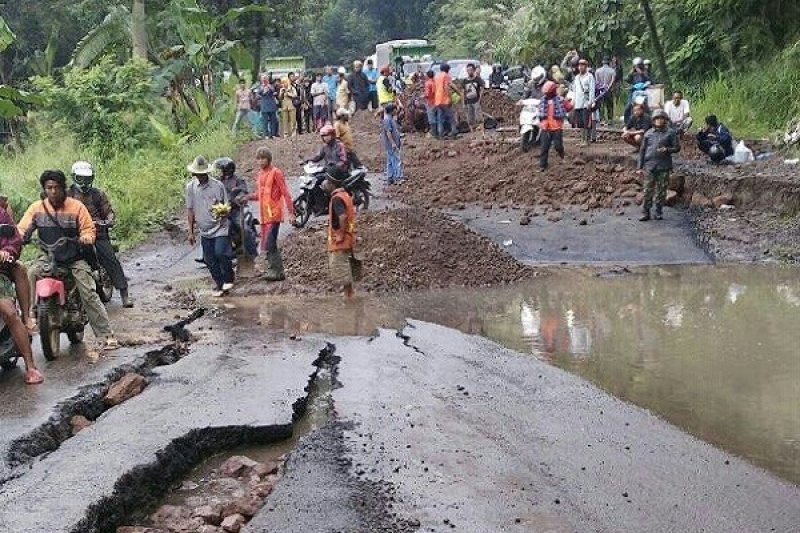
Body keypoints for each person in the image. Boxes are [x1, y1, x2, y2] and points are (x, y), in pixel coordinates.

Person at [19, 169, 119, 350]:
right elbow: (22, 228)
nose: (53, 191)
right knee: (32, 272)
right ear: (44, 189)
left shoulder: (76, 207)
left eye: (56, 187)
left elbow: (88, 228)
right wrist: (19, 237)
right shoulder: (37, 208)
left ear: (63, 188)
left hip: (74, 258)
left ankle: (106, 334)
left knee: (89, 293)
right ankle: (32, 315)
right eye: (49, 188)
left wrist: (87, 236)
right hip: (48, 256)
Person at [67, 161, 133, 308]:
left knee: (110, 258)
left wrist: (106, 222)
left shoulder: (98, 194)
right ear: (74, 178)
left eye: (87, 179)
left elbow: (109, 213)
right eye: (80, 179)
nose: (84, 183)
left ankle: (124, 293)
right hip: (74, 233)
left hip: (97, 232)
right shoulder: (68, 195)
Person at [185, 156, 234, 297]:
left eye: (202, 174)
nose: (200, 176)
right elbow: (190, 210)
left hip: (220, 227)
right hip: (204, 230)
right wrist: (191, 232)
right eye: (197, 174)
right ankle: (220, 284)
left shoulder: (217, 186)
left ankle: (229, 278)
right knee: (209, 260)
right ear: (194, 174)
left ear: (207, 173)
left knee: (220, 253)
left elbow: (226, 205)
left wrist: (224, 211)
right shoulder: (191, 188)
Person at [248, 148, 294, 282]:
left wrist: (291, 212)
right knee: (267, 243)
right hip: (264, 216)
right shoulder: (260, 174)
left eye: (263, 158)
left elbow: (285, 193)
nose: (261, 161)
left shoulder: (276, 173)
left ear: (269, 159)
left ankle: (278, 271)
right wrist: (246, 197)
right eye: (259, 159)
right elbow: (259, 195)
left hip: (274, 214)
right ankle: (274, 269)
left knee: (270, 242)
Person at [0, 195, 35, 336]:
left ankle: (26, 318)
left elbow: (13, 238)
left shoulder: (2, 212)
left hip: (2, 265)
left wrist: (6, 252)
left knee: (19, 268)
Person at [637, 109, 680, 221]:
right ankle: (645, 212)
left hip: (664, 166)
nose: (659, 121)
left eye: (661, 118)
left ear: (665, 120)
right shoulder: (648, 133)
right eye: (657, 119)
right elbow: (642, 150)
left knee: (661, 191)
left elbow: (677, 148)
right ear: (653, 120)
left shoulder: (670, 133)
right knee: (647, 190)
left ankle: (658, 211)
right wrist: (639, 167)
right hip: (650, 165)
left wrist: (667, 149)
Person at [322, 165, 357, 298]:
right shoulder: (345, 195)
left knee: (341, 268)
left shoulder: (336, 198)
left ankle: (349, 298)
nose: (325, 184)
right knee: (345, 268)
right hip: (349, 237)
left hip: (341, 240)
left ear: (332, 184)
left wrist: (340, 235)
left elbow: (342, 217)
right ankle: (349, 294)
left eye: (327, 182)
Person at [213, 157, 257, 258]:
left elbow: (243, 191)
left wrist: (238, 197)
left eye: (221, 170)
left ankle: (253, 255)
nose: (219, 172)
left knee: (244, 229)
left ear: (227, 169)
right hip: (222, 211)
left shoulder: (237, 180)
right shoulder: (218, 181)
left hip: (235, 211)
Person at [538, 81, 573, 171]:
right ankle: (542, 165)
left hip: (556, 127)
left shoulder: (560, 100)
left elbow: (569, 107)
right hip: (545, 127)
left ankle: (562, 156)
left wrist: (570, 103)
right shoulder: (542, 101)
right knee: (544, 148)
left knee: (558, 146)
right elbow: (539, 112)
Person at [572, 59, 595, 146]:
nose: (580, 67)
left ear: (586, 66)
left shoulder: (590, 77)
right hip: (578, 103)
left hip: (586, 103)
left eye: (583, 65)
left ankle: (587, 140)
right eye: (579, 65)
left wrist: (590, 102)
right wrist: (573, 101)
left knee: (587, 122)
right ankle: (582, 139)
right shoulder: (577, 77)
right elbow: (575, 90)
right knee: (580, 122)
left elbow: (592, 90)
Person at [434, 63, 459, 139]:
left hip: (437, 100)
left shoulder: (437, 76)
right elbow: (447, 87)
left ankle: (440, 134)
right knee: (451, 116)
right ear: (448, 69)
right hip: (444, 99)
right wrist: (450, 98)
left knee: (440, 118)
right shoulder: (446, 76)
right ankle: (454, 132)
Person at [382, 103, 404, 185]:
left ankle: (390, 177)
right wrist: (393, 143)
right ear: (392, 110)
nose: (397, 110)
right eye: (395, 109)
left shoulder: (389, 118)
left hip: (390, 144)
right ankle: (398, 178)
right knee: (396, 160)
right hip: (391, 144)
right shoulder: (387, 119)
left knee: (390, 161)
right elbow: (388, 132)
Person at [462, 63, 484, 131]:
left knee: (478, 115)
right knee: (469, 117)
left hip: (476, 100)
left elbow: (483, 86)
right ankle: (472, 130)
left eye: (471, 70)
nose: (469, 72)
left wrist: (480, 97)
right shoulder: (465, 81)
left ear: (474, 70)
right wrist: (463, 102)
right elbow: (463, 92)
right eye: (468, 70)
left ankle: (481, 129)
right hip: (468, 101)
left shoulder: (477, 79)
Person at [594, 57, 617, 122]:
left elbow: (597, 82)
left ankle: (602, 120)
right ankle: (610, 120)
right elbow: (612, 81)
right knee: (609, 105)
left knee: (601, 105)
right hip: (608, 90)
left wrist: (601, 88)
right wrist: (608, 88)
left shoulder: (597, 71)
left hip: (600, 90)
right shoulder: (612, 71)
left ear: (602, 62)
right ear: (609, 62)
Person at [424, 70, 437, 137]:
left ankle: (433, 133)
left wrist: (422, 96)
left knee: (431, 118)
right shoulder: (435, 82)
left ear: (427, 76)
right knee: (437, 117)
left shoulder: (428, 83)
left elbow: (427, 94)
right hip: (437, 102)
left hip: (430, 103)